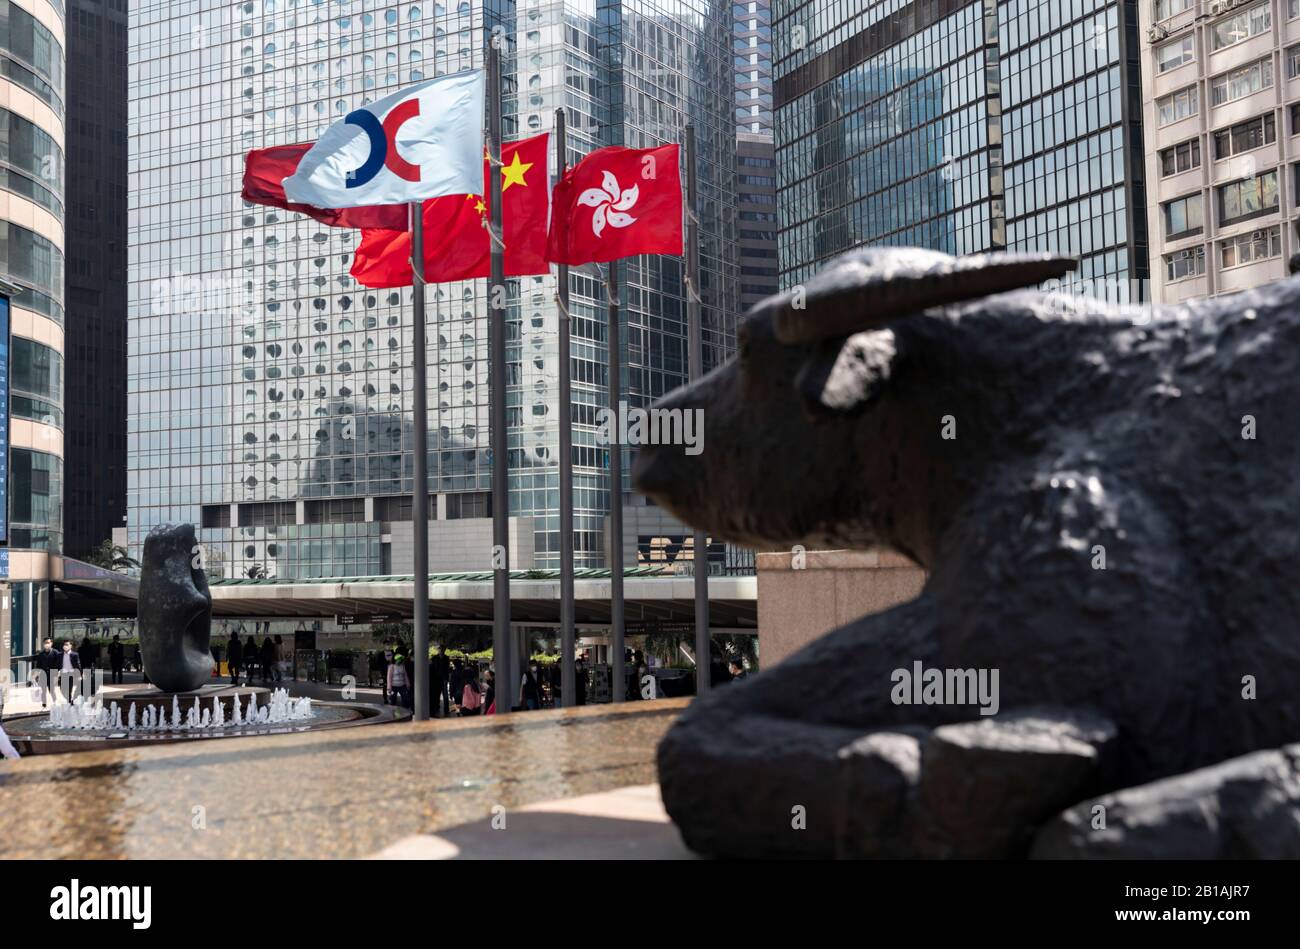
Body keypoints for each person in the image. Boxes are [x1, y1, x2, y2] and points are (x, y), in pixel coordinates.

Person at [32, 638, 57, 708]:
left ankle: (55, 701)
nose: (47, 644)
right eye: (45, 643)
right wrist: (35, 675)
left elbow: (59, 663)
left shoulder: (55, 653)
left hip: (52, 674)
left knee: (51, 690)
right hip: (43, 674)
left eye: (48, 642)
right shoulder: (41, 654)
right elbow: (38, 666)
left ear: (51, 643)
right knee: (43, 691)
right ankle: (44, 704)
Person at [430, 646, 450, 718]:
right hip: (436, 679)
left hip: (444, 679)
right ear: (438, 650)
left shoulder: (446, 658)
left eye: (442, 649)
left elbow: (447, 670)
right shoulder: (434, 658)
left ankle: (446, 710)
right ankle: (436, 708)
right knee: (436, 695)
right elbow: (432, 668)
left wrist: (447, 679)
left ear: (444, 650)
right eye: (440, 649)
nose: (441, 651)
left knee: (445, 695)